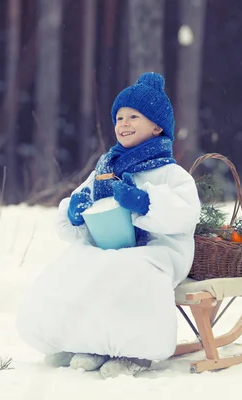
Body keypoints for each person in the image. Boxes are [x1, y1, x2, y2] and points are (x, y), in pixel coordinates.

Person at [16, 72, 201, 379]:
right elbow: (83, 198)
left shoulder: (171, 173)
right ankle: (79, 340)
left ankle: (135, 352)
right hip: (109, 244)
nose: (123, 124)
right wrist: (75, 213)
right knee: (76, 265)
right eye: (119, 117)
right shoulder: (106, 168)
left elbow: (186, 213)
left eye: (133, 117)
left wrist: (145, 203)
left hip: (157, 250)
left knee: (128, 271)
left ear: (157, 127)